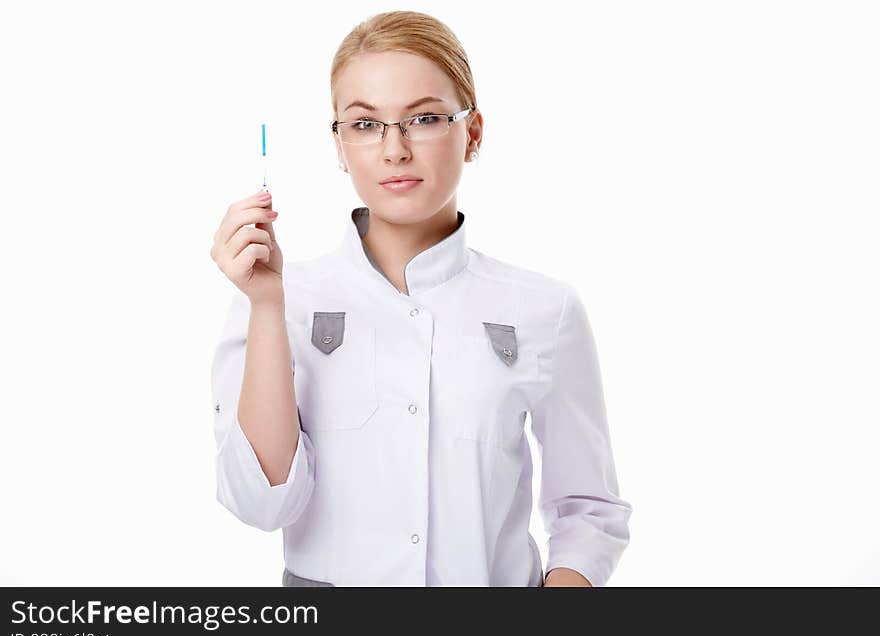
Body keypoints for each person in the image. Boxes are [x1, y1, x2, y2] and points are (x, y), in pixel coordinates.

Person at [209, 10, 632, 587]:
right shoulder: (282, 300)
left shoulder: (544, 309)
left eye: (425, 118)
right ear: (338, 144)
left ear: (473, 132)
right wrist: (265, 306)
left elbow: (588, 510)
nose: (394, 150)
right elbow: (262, 505)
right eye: (364, 125)